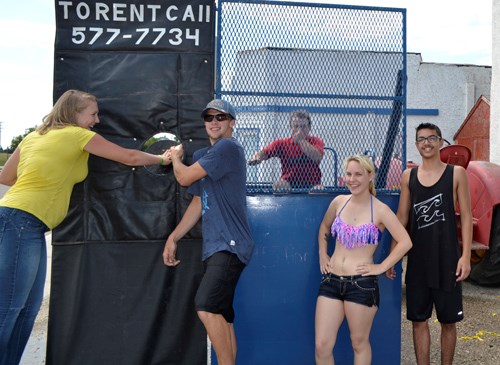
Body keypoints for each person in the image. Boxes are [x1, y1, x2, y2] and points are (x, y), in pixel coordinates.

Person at [0, 89, 171, 365]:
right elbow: (128, 157)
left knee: (27, 311)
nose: (97, 120)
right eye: (92, 114)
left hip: (21, 221)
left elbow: (7, 176)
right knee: (9, 309)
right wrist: (165, 159)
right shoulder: (76, 135)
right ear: (74, 114)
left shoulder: (35, 136)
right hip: (21, 221)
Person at [162, 99, 254, 365]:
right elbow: (197, 202)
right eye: (209, 117)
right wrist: (173, 237)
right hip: (216, 246)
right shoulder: (204, 156)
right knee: (222, 314)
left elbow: (184, 177)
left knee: (206, 305)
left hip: (231, 245)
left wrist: (176, 159)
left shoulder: (229, 147)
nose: (214, 122)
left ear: (231, 123)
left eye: (221, 117)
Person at [386, 122, 472, 365]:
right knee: (418, 321)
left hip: (447, 260)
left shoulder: (456, 173)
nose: (427, 142)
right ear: (416, 144)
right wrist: (393, 254)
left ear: (441, 142)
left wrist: (465, 256)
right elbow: (402, 217)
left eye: (432, 138)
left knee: (448, 322)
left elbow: (465, 216)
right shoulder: (408, 176)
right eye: (422, 139)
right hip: (418, 262)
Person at [315, 154, 412, 365]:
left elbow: (405, 241)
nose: (352, 179)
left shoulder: (381, 210)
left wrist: (382, 266)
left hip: (361, 285)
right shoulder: (338, 202)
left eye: (358, 174)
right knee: (322, 346)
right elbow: (324, 227)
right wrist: (323, 255)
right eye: (349, 174)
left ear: (370, 176)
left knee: (359, 343)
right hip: (331, 282)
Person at [247, 109, 324, 191]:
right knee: (279, 185)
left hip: (312, 183)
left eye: (303, 127)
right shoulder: (282, 143)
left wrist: (301, 141)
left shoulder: (316, 141)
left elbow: (317, 157)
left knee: (318, 190)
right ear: (291, 128)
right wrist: (257, 158)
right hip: (289, 182)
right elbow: (264, 153)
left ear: (309, 128)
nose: (299, 130)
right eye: (296, 126)